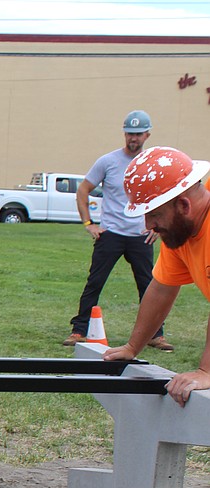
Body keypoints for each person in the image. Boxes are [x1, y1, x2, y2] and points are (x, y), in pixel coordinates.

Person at [104, 146, 210, 406]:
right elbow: (162, 288)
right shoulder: (181, 232)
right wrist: (132, 347)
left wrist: (207, 371)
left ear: (183, 205)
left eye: (154, 215)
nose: (147, 226)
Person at [64, 110, 172, 351]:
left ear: (147, 135)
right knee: (95, 282)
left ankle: (156, 334)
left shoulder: (151, 164)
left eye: (138, 134)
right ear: (124, 134)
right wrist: (88, 224)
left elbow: (165, 198)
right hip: (111, 233)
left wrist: (160, 228)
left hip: (141, 235)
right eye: (129, 133)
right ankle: (79, 329)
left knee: (150, 286)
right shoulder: (108, 162)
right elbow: (83, 190)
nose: (133, 138)